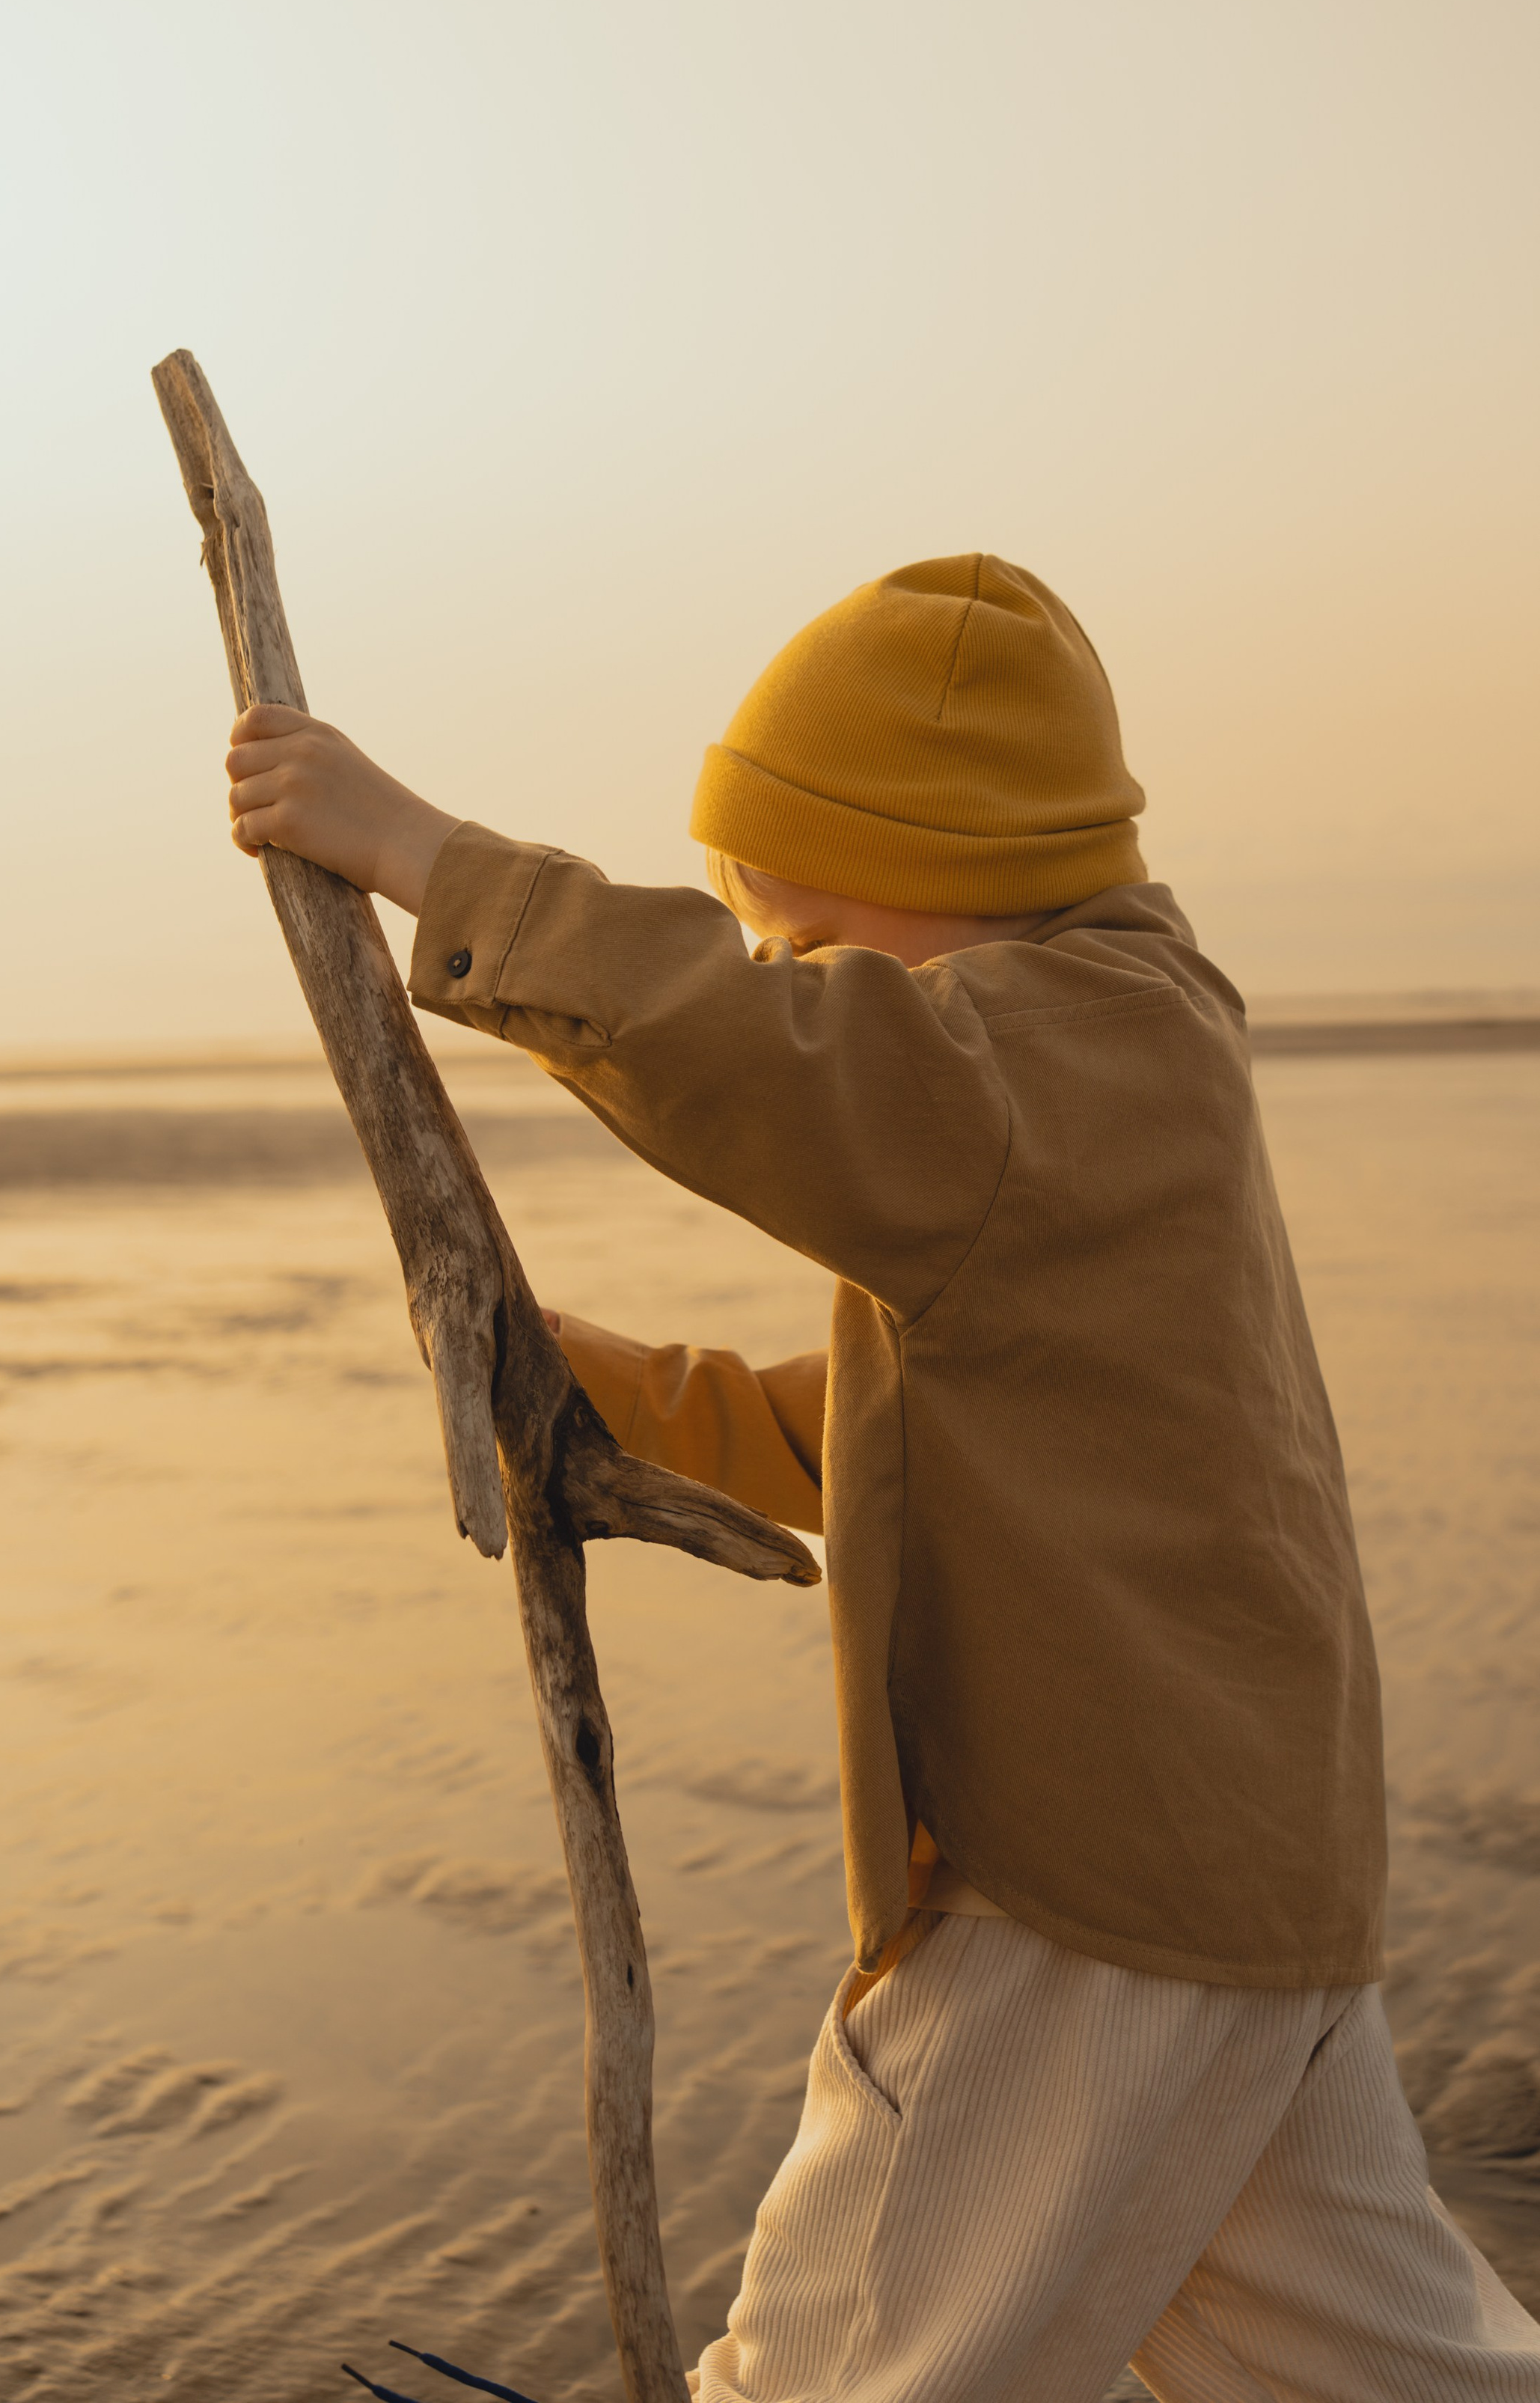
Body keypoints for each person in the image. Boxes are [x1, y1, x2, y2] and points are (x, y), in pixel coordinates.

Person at [224, 553, 1540, 2401]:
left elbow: (754, 1059)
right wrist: (580, 1380)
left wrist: (425, 861)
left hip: (1088, 1888)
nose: (772, 964)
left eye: (798, 931)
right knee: (1378, 2365)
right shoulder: (1108, 1066)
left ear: (946, 880)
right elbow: (902, 1441)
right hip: (1246, 1888)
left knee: (848, 2349)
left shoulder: (1053, 1055)